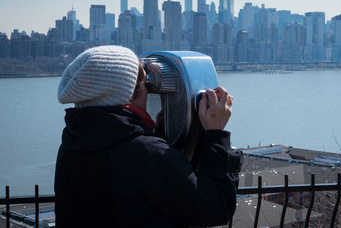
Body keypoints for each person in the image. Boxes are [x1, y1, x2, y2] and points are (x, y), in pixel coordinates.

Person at [55, 45, 242, 228]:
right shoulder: (148, 153)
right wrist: (216, 135)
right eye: (147, 85)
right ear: (128, 96)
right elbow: (216, 208)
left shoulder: (71, 146)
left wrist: (156, 134)